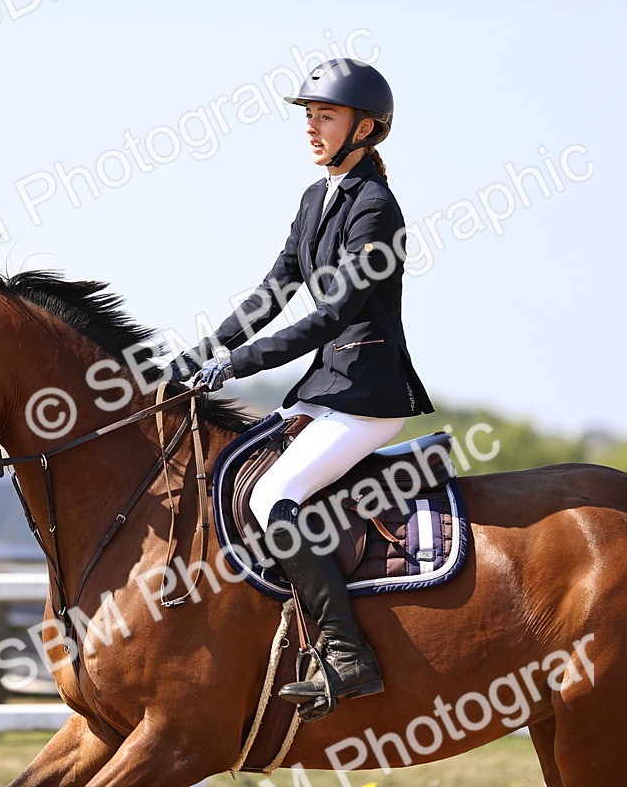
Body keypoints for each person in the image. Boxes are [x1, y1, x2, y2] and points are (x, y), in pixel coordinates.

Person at [168, 58, 433, 720]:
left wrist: (239, 364)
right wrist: (205, 349)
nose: (311, 128)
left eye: (326, 116)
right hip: (326, 388)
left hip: (368, 394)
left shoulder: (376, 208)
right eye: (309, 116)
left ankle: (346, 652)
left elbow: (333, 314)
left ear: (364, 128)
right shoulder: (317, 198)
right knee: (235, 476)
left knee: (273, 495)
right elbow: (275, 288)